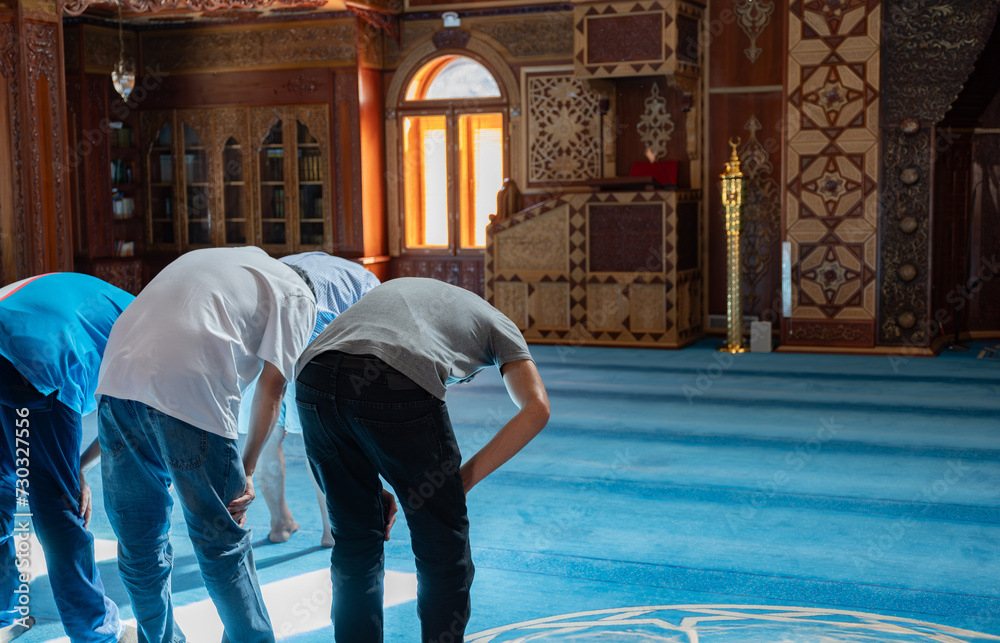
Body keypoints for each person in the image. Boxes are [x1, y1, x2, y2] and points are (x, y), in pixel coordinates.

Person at [295, 277, 551, 643]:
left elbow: (344, 376)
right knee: (443, 549)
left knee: (355, 541)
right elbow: (536, 409)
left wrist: (365, 487)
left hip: (312, 374)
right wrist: (456, 485)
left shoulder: (404, 292)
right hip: (395, 374)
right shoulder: (500, 324)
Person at [95, 246, 318, 643]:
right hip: (191, 393)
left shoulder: (221, 260)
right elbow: (273, 386)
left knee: (139, 543)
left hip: (116, 381)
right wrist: (246, 469)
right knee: (221, 543)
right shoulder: (298, 295)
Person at [0, 272, 137, 643]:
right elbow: (123, 422)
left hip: (13, 337)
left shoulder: (115, 302)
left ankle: (3, 613)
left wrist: (77, 466)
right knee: (56, 504)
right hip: (36, 360)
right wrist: (76, 471)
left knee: (2, 484)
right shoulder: (145, 338)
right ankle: (96, 632)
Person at [237, 252, 381, 546]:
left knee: (267, 434)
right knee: (320, 434)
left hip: (284, 317)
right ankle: (331, 530)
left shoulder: (276, 278)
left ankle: (280, 524)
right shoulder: (367, 286)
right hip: (316, 321)